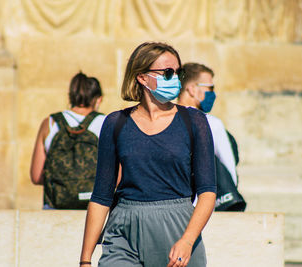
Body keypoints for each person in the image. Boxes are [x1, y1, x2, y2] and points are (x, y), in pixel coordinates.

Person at [80, 42, 216, 267]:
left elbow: (208, 192)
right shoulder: (115, 123)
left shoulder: (194, 121)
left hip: (178, 228)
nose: (175, 79)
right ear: (142, 77)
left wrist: (187, 240)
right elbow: (101, 197)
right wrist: (85, 260)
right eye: (168, 72)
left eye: (178, 72)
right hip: (123, 229)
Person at [30, 72, 106, 209]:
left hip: (55, 209)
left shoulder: (50, 123)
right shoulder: (106, 123)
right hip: (95, 209)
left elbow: (36, 176)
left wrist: (65, 185)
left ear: (70, 97)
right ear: (98, 99)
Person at [178, 63, 244, 211]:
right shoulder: (211, 124)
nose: (213, 94)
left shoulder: (163, 120)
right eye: (210, 88)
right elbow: (229, 172)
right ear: (192, 89)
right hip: (202, 210)